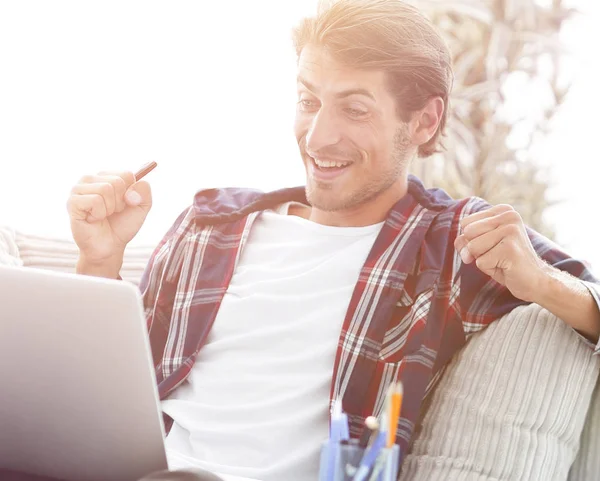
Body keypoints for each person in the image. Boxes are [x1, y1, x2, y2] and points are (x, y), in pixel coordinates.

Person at [6, 1, 600, 480]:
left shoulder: (450, 242)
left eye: (355, 109)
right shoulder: (210, 223)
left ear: (422, 122)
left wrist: (542, 284)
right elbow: (106, 402)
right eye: (308, 100)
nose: (318, 136)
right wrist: (99, 259)